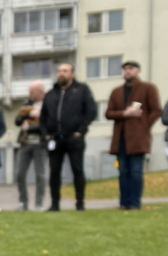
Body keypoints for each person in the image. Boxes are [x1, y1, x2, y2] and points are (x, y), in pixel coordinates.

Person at [39, 63, 96, 211]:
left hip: (74, 138)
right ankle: (55, 204)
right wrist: (45, 134)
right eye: (59, 71)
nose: (61, 73)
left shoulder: (82, 90)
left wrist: (80, 132)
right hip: (54, 139)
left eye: (65, 71)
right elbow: (43, 117)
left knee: (77, 170)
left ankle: (80, 203)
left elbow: (91, 112)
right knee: (54, 172)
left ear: (72, 74)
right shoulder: (50, 94)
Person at [105, 61, 161, 210]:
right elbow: (108, 113)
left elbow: (156, 110)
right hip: (120, 139)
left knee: (136, 172)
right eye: (125, 69)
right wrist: (124, 113)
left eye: (131, 68)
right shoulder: (116, 92)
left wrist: (144, 126)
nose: (127, 71)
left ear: (138, 71)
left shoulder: (148, 88)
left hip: (138, 139)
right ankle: (124, 203)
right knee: (123, 172)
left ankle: (135, 203)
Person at [14, 82, 48, 211]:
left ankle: (39, 204)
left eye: (31, 92)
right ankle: (23, 203)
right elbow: (17, 121)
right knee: (20, 174)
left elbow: (49, 125)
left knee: (40, 175)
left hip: (40, 144)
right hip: (25, 143)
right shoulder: (26, 104)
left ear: (40, 91)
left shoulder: (47, 105)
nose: (29, 95)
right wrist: (29, 115)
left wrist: (32, 127)